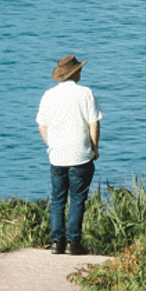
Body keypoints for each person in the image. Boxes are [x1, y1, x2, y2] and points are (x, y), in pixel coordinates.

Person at [36, 53, 101, 255]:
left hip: (57, 155)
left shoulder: (48, 95)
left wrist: (52, 144)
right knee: (77, 198)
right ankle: (73, 242)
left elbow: (41, 126)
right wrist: (95, 148)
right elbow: (94, 123)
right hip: (80, 154)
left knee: (57, 199)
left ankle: (57, 242)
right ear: (76, 73)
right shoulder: (85, 93)